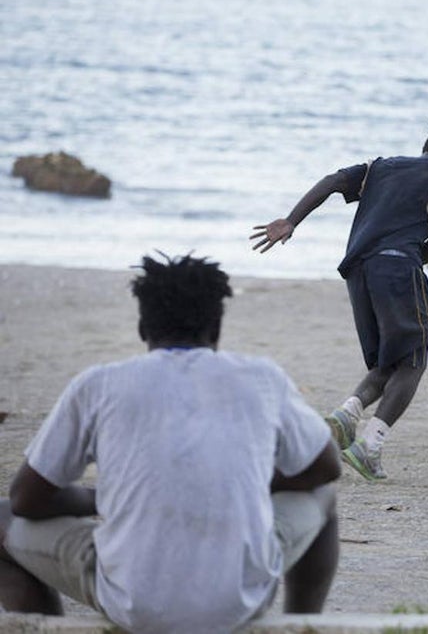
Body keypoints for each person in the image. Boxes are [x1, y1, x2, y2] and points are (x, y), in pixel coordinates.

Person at [0, 254, 341, 632]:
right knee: (324, 497)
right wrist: (246, 481)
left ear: (143, 327)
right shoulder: (262, 378)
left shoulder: (99, 385)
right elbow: (325, 468)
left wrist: (102, 496)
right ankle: (300, 625)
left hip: (132, 602)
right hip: (241, 598)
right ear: (216, 327)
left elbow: (24, 500)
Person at [251, 118, 428, 481]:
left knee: (390, 361)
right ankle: (370, 446)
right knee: (414, 360)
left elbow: (330, 182)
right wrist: (410, 263)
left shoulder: (380, 166)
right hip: (397, 268)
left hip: (357, 271)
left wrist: (292, 221)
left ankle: (347, 414)